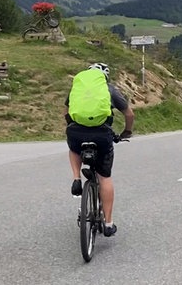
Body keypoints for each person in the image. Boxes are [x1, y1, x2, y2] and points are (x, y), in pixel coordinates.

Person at [64, 63, 134, 237]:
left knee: (73, 148)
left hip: (76, 131)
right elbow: (129, 114)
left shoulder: (77, 87)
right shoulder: (109, 89)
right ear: (105, 76)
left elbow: (66, 109)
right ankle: (109, 223)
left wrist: (72, 125)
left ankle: (76, 178)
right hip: (102, 134)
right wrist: (127, 132)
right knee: (105, 177)